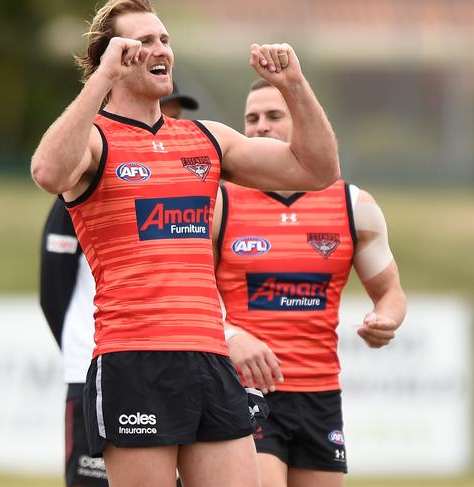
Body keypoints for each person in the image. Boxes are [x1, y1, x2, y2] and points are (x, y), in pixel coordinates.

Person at [30, 0, 340, 485]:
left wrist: (294, 86)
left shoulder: (206, 139)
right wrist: (101, 77)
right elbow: (47, 172)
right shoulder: (95, 140)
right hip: (135, 361)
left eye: (165, 40)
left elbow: (318, 170)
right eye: (143, 42)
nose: (161, 50)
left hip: (210, 360)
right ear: (111, 57)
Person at [212, 78, 407, 487]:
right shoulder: (220, 202)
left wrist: (385, 320)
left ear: (302, 121)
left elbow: (390, 292)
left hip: (320, 396)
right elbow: (188, 292)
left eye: (273, 116)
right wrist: (230, 334)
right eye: (251, 118)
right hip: (245, 392)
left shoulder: (354, 206)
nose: (260, 126)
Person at [39, 87, 200, 487]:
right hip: (102, 363)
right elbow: (53, 286)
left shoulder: (192, 181)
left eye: (174, 112)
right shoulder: (89, 173)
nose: (167, 119)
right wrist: (83, 347)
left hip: (181, 365)